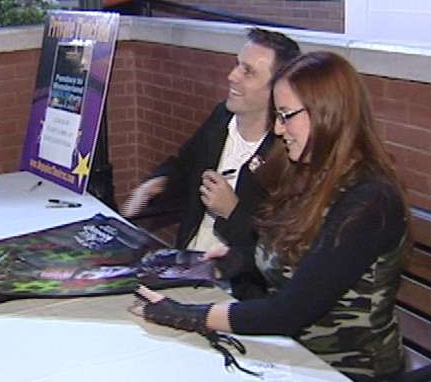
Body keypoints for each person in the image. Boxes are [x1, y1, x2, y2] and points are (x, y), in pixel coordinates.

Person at [130, 51, 409, 381]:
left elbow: (289, 311)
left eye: (286, 116)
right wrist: (241, 259)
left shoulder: (370, 200)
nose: (278, 129)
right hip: (288, 354)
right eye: (277, 116)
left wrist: (185, 315)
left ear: (327, 115)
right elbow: (303, 257)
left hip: (345, 369)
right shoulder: (310, 173)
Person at [122, 29, 300, 257]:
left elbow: (276, 253)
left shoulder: (286, 152)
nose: (232, 76)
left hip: (234, 281)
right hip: (187, 260)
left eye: (248, 72)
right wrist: (152, 186)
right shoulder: (221, 118)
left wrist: (232, 212)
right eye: (237, 65)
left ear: (276, 90)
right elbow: (183, 164)